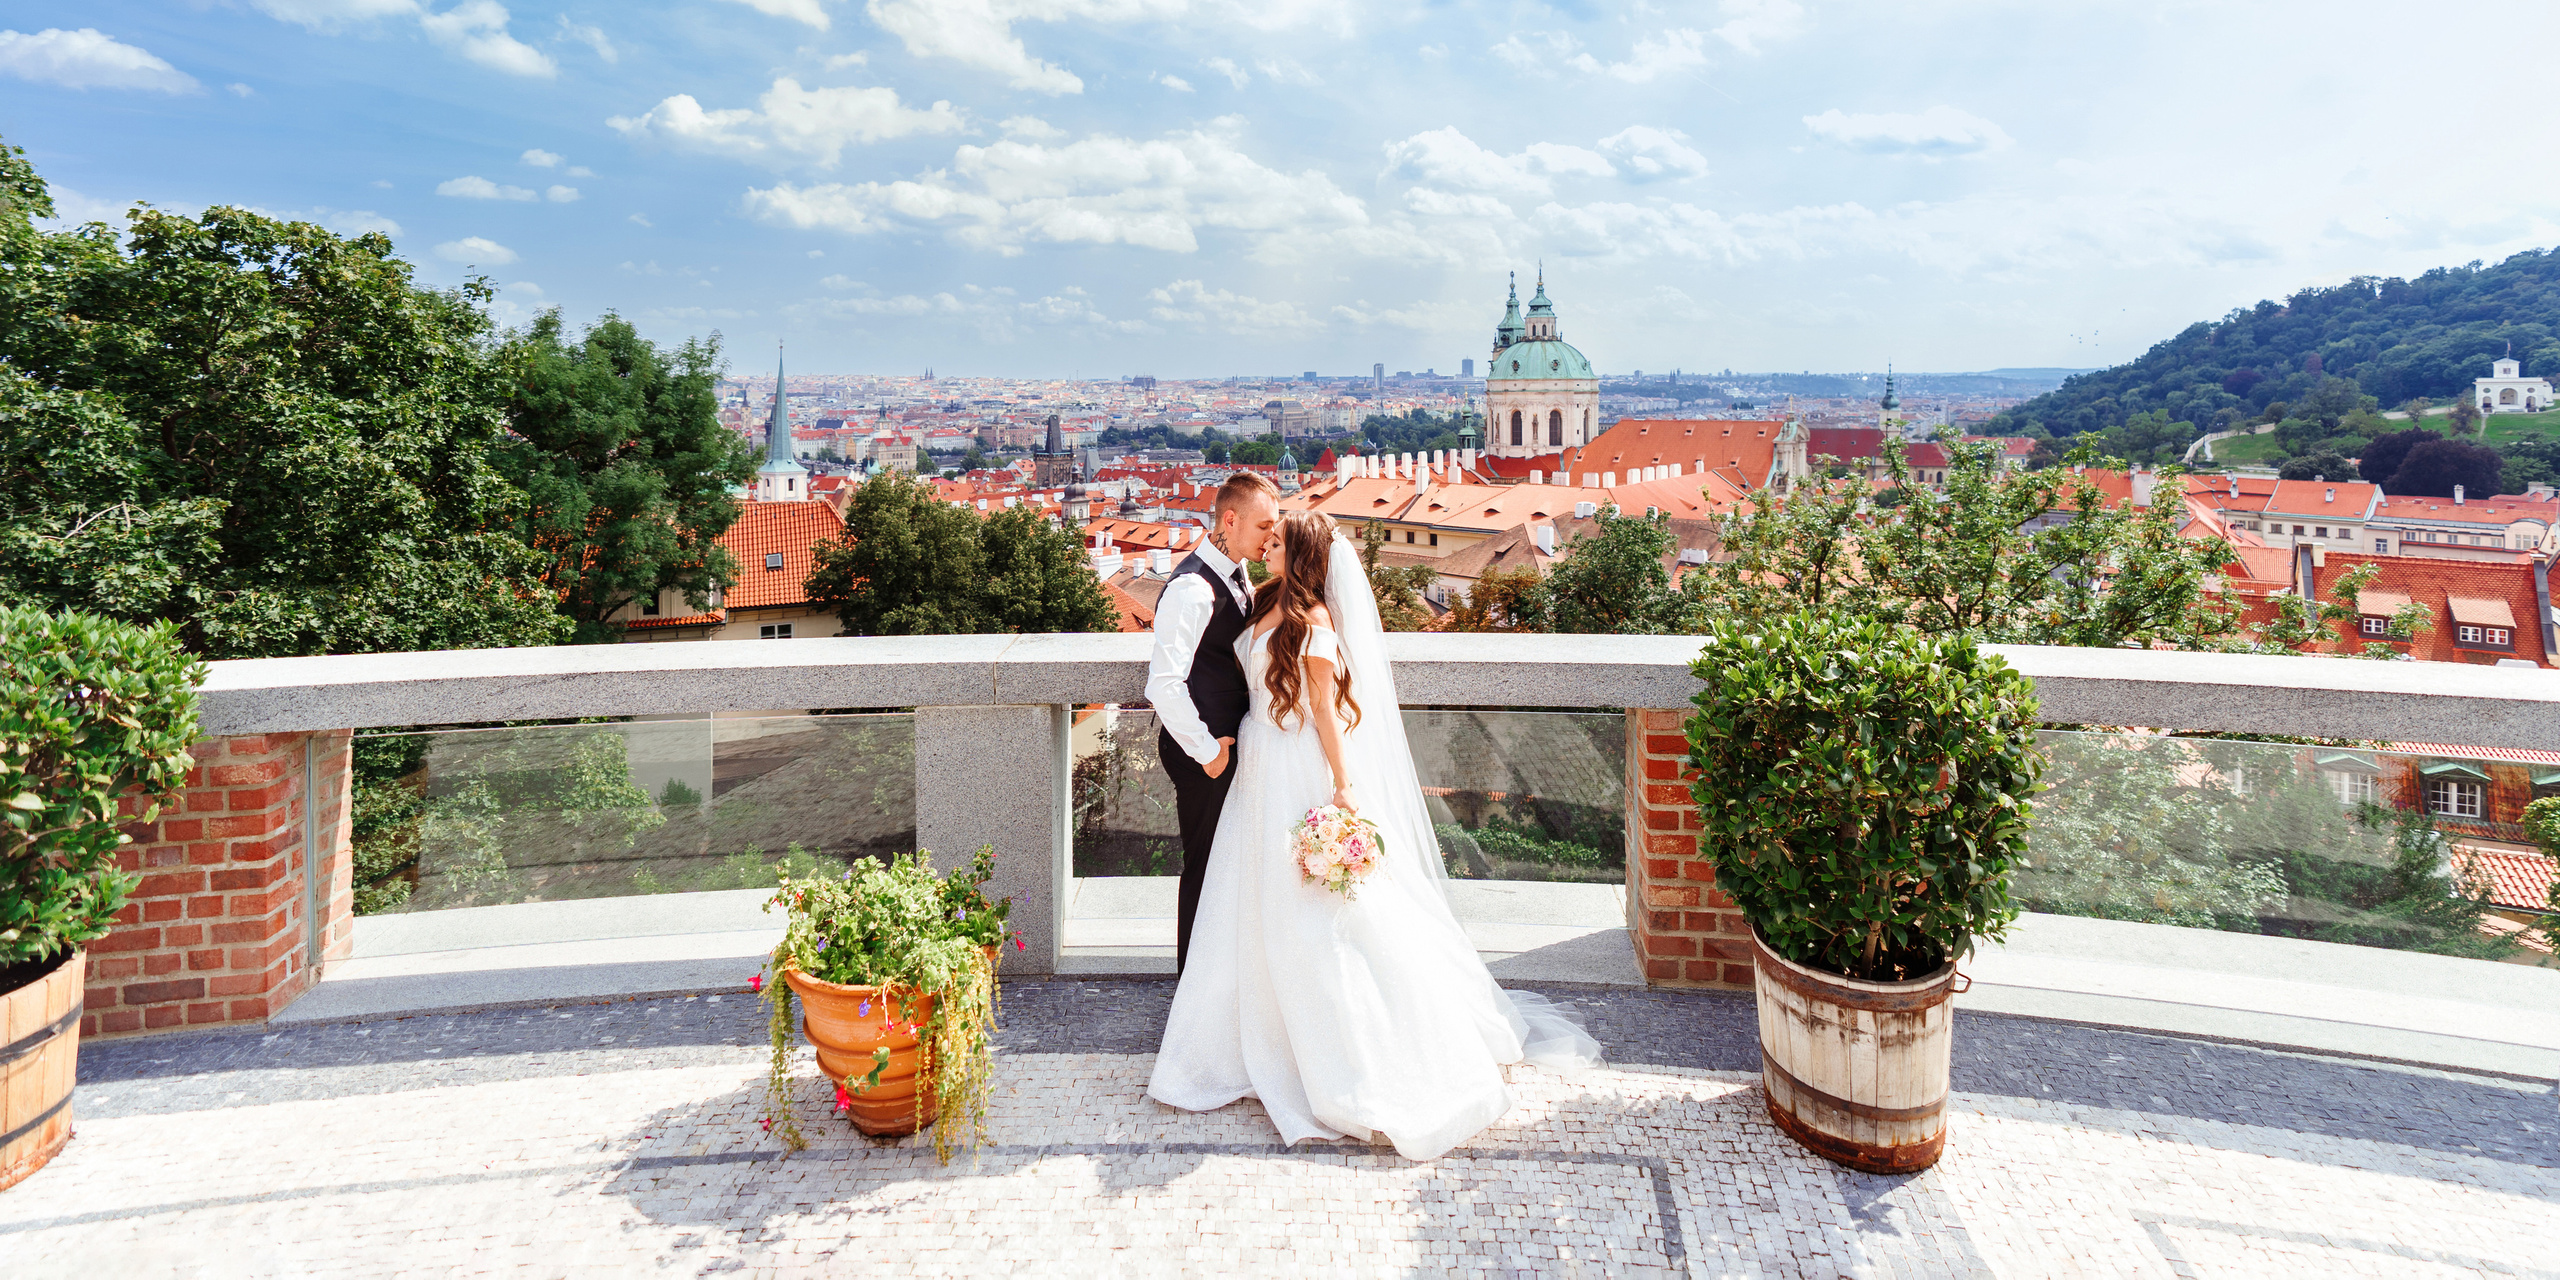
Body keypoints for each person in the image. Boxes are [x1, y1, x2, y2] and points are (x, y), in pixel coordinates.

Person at [1147, 511, 1601, 1160]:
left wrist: (1342, 786)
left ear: (1302, 555)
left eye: (1277, 543)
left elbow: (1327, 715)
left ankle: (1346, 1051)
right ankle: (1242, 1036)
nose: (1264, 548)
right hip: (1258, 766)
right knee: (1247, 903)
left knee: (1316, 911)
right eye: (1266, 539)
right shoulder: (1268, 602)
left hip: (1297, 768)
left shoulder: (1316, 624)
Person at [1143, 471, 1280, 974]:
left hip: (1224, 744)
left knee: (1225, 866)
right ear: (1230, 518)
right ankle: (1191, 985)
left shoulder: (1235, 572)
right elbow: (1163, 685)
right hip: (1204, 754)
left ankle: (1217, 980)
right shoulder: (1193, 588)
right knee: (1203, 867)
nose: (1272, 534)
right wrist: (1210, 753)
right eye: (1265, 524)